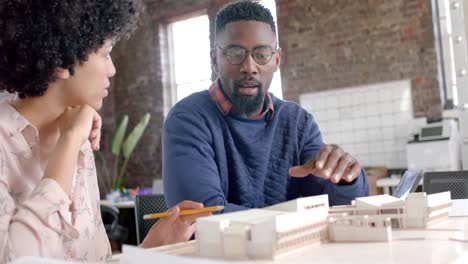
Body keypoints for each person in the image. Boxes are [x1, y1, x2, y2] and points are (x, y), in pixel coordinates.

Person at [0, 0, 208, 262]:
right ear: (62, 61)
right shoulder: (68, 139)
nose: (112, 69)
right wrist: (69, 141)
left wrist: (149, 248)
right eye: (106, 53)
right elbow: (16, 257)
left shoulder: (82, 142)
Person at [162, 0, 369, 213]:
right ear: (214, 60)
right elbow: (201, 214)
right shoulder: (188, 119)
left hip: (291, 245)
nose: (249, 67)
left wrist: (344, 179)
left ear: (277, 60)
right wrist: (295, 218)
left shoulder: (298, 122)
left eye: (261, 54)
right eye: (235, 54)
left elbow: (337, 206)